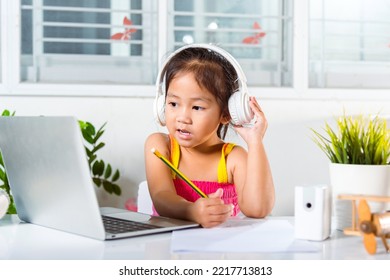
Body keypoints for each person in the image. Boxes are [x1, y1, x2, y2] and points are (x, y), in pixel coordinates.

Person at [144, 44, 274, 228]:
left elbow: (258, 209)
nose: (183, 117)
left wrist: (255, 141)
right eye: (173, 103)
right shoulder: (159, 145)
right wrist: (192, 211)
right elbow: (161, 197)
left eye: (197, 107)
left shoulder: (233, 158)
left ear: (226, 113)